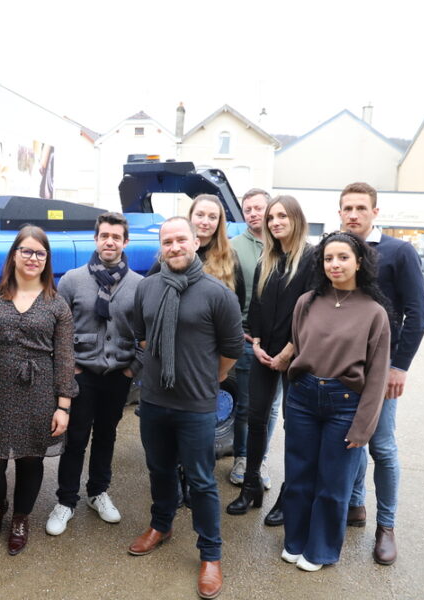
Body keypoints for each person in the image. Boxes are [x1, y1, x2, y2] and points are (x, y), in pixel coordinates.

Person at [129, 217, 243, 600]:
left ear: (196, 242)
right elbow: (141, 337)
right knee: (158, 468)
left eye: (181, 239)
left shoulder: (217, 293)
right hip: (154, 401)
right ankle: (161, 525)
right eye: (167, 241)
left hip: (196, 405)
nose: (175, 246)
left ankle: (211, 554)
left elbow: (231, 350)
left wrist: (209, 380)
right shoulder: (147, 288)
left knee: (201, 480)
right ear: (161, 247)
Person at [0, 225, 77, 555]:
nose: (33, 257)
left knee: (30, 458)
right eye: (26, 250)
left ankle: (21, 517)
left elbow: (66, 357)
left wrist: (63, 406)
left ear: (47, 259)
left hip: (38, 391)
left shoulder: (57, 305)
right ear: (14, 255)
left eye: (40, 253)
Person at [281, 231, 390, 571]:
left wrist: (364, 427)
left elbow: (377, 376)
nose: (335, 264)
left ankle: (321, 550)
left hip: (345, 404)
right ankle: (295, 541)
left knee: (333, 483)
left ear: (359, 262)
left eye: (343, 257)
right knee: (298, 476)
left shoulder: (375, 313)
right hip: (303, 398)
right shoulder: (307, 303)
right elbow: (299, 346)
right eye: (328, 258)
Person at [339, 182, 424, 565]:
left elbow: (419, 315)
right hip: (345, 367)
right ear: (340, 212)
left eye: (361, 208)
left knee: (382, 445)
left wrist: (399, 366)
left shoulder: (398, 251)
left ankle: (386, 526)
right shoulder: (337, 252)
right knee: (352, 440)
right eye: (347, 208)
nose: (354, 214)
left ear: (375, 212)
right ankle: (356, 505)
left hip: (381, 369)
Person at [44, 212, 143, 536]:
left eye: (116, 237)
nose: (110, 241)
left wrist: (132, 369)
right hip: (81, 374)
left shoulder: (139, 286)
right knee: (75, 439)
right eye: (104, 236)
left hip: (118, 376)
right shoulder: (73, 280)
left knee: (106, 436)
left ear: (125, 242)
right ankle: (66, 501)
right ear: (96, 239)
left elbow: (146, 333)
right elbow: (59, 328)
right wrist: (67, 367)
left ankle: (98, 492)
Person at [227, 195, 314, 517]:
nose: (276, 222)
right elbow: (259, 306)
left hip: (298, 357)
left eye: (282, 216)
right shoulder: (268, 259)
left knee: (296, 426)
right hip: (265, 353)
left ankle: (288, 496)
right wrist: (259, 343)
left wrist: (288, 352)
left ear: (296, 218)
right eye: (272, 217)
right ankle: (251, 486)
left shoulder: (311, 258)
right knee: (256, 419)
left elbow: (311, 313)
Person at [228, 189, 281, 488]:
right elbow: (228, 294)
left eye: (258, 207)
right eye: (247, 209)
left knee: (273, 407)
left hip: (284, 343)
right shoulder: (234, 247)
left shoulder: (286, 245)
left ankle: (258, 460)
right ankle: (242, 457)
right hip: (249, 339)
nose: (252, 213)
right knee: (247, 406)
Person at [147, 194, 245, 310]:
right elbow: (147, 289)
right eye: (200, 215)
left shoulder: (229, 256)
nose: (205, 222)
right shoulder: (174, 252)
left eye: (212, 217)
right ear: (190, 217)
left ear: (219, 222)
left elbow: (239, 301)